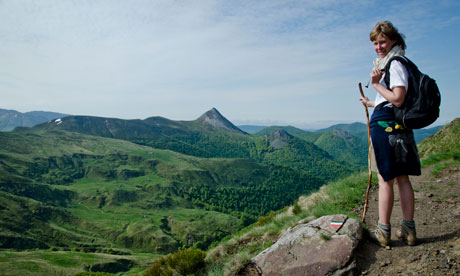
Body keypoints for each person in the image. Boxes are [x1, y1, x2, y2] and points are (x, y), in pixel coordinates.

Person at [360, 21, 421, 247]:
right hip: (398, 124)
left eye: (383, 41)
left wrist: (375, 84)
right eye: (375, 43)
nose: (378, 47)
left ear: (394, 39)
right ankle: (408, 230)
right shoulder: (399, 61)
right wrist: (372, 102)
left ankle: (383, 231)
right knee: (403, 178)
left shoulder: (393, 64)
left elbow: (398, 97)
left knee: (385, 179)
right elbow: (392, 100)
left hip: (385, 128)